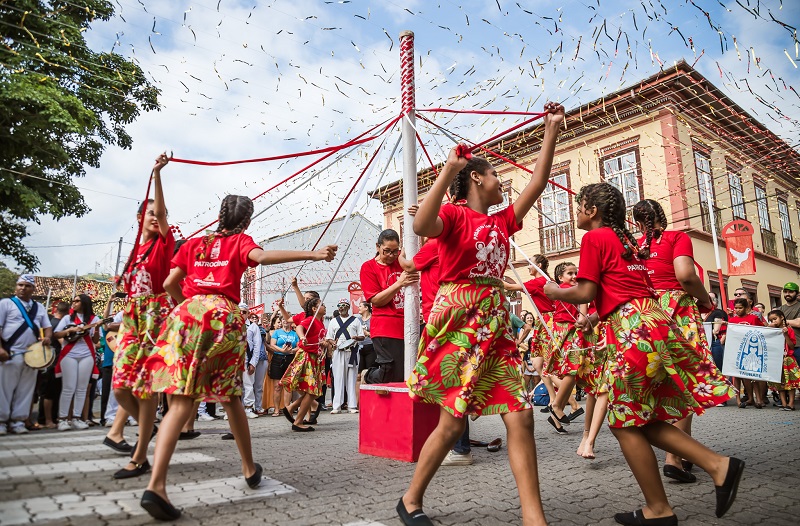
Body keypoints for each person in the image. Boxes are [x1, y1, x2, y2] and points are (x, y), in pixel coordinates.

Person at [400, 101, 563, 526]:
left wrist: (551, 130)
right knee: (452, 425)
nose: (500, 181)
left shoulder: (503, 221)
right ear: (476, 178)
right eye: (494, 175)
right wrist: (447, 170)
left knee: (521, 416)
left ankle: (534, 518)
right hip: (458, 321)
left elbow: (538, 183)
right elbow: (420, 227)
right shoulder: (454, 215)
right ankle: (411, 499)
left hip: (495, 323)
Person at [544, 182, 742, 525]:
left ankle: (690, 486)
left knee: (624, 421)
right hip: (652, 322)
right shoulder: (627, 241)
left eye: (578, 206)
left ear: (592, 210)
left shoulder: (595, 238)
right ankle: (682, 491)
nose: (575, 212)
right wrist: (596, 318)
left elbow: (586, 291)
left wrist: (554, 290)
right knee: (640, 418)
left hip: (633, 330)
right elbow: (625, 290)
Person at [134, 194, 336, 520]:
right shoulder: (240, 242)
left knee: (181, 400)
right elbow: (263, 256)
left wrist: (191, 305)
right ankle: (248, 467)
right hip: (222, 318)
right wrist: (314, 254)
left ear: (220, 215)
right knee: (231, 396)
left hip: (186, 315)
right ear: (247, 221)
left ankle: (156, 485)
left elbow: (171, 282)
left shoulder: (195, 244)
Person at [633, 197, 719, 484]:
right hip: (676, 310)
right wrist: (706, 300)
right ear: (662, 216)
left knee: (659, 383)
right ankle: (674, 457)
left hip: (645, 313)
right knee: (685, 380)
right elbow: (686, 275)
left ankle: (681, 451)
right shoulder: (676, 238)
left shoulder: (633, 246)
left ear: (637, 223)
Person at [111, 153, 176, 479]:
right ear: (139, 217)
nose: (155, 217)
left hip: (157, 319)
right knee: (120, 388)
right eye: (149, 213)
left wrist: (157, 174)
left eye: (158, 214)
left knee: (147, 388)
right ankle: (151, 429)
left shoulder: (164, 243)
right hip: (132, 320)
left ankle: (139, 457)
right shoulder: (135, 251)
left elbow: (161, 213)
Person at [360, 229, 419, 384]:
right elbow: (376, 300)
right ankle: (368, 375)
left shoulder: (402, 261)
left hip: (408, 324)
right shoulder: (368, 267)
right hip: (384, 326)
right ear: (378, 247)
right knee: (390, 370)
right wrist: (399, 283)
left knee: (407, 371)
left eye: (395, 251)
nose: (391, 255)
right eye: (387, 251)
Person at [0, 275, 53, 436]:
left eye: (27, 286)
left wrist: (47, 338)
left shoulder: (39, 307)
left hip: (32, 355)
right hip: (11, 352)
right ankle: (1, 421)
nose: (23, 288)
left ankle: (18, 421)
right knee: (4, 389)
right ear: (16, 287)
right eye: (20, 285)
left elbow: (47, 327)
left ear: (33, 289)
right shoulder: (6, 303)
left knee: (26, 390)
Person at [281, 298, 333, 430]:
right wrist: (302, 336)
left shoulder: (320, 323)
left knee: (314, 392)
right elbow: (299, 327)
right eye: (321, 305)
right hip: (307, 357)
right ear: (315, 309)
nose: (325, 306)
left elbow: (318, 339)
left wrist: (326, 343)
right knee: (312, 391)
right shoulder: (310, 319)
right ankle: (298, 421)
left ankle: (291, 408)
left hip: (316, 359)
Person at [53, 294, 101, 431]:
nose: (73, 303)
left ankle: (77, 418)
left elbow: (96, 340)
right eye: (73, 301)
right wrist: (71, 330)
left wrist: (97, 328)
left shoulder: (94, 319)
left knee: (82, 388)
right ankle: (63, 419)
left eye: (77, 301)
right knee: (68, 387)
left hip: (87, 354)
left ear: (84, 303)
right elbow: (57, 334)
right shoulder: (67, 318)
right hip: (69, 354)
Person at [326, 299, 364, 414]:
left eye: (343, 305)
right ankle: (337, 405)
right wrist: (333, 343)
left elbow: (362, 336)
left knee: (352, 378)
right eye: (339, 305)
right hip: (338, 351)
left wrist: (356, 338)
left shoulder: (355, 320)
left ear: (348, 307)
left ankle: (352, 405)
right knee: (338, 378)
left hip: (352, 352)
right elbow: (329, 337)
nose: (341, 307)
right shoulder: (333, 321)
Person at [728, 297, 766, 408]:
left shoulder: (753, 318)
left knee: (753, 375)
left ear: (746, 308)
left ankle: (758, 399)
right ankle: (742, 400)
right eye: (736, 308)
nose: (737, 310)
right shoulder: (732, 320)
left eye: (740, 308)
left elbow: (762, 331)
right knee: (738, 376)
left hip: (752, 350)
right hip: (738, 350)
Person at [766, 309, 799, 411]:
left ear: (782, 318)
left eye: (775, 319)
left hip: (788, 359)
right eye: (771, 320)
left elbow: (792, 346)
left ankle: (791, 404)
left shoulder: (789, 330)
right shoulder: (772, 331)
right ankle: (784, 404)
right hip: (777, 360)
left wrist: (786, 335)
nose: (773, 322)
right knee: (779, 383)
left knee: (791, 383)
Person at [268, 312, 298, 417]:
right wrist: (282, 350)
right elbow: (272, 344)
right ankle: (276, 409)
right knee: (277, 386)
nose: (285, 321)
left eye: (287, 319)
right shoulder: (277, 332)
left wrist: (292, 351)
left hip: (290, 358)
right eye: (283, 319)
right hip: (278, 358)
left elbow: (299, 346)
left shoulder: (294, 333)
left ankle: (287, 409)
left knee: (288, 386)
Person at [241, 305, 264, 419]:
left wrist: (253, 363)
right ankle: (234, 410)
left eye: (244, 312)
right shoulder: (231, 324)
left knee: (248, 384)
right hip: (234, 360)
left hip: (247, 358)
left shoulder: (253, 326)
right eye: (239, 311)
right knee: (234, 385)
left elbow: (257, 345)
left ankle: (248, 407)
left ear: (248, 313)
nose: (241, 314)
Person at [705, 292, 728, 372]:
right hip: (701, 342)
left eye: (712, 299)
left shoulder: (717, 312)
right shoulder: (697, 312)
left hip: (713, 342)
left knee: (718, 368)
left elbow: (716, 330)